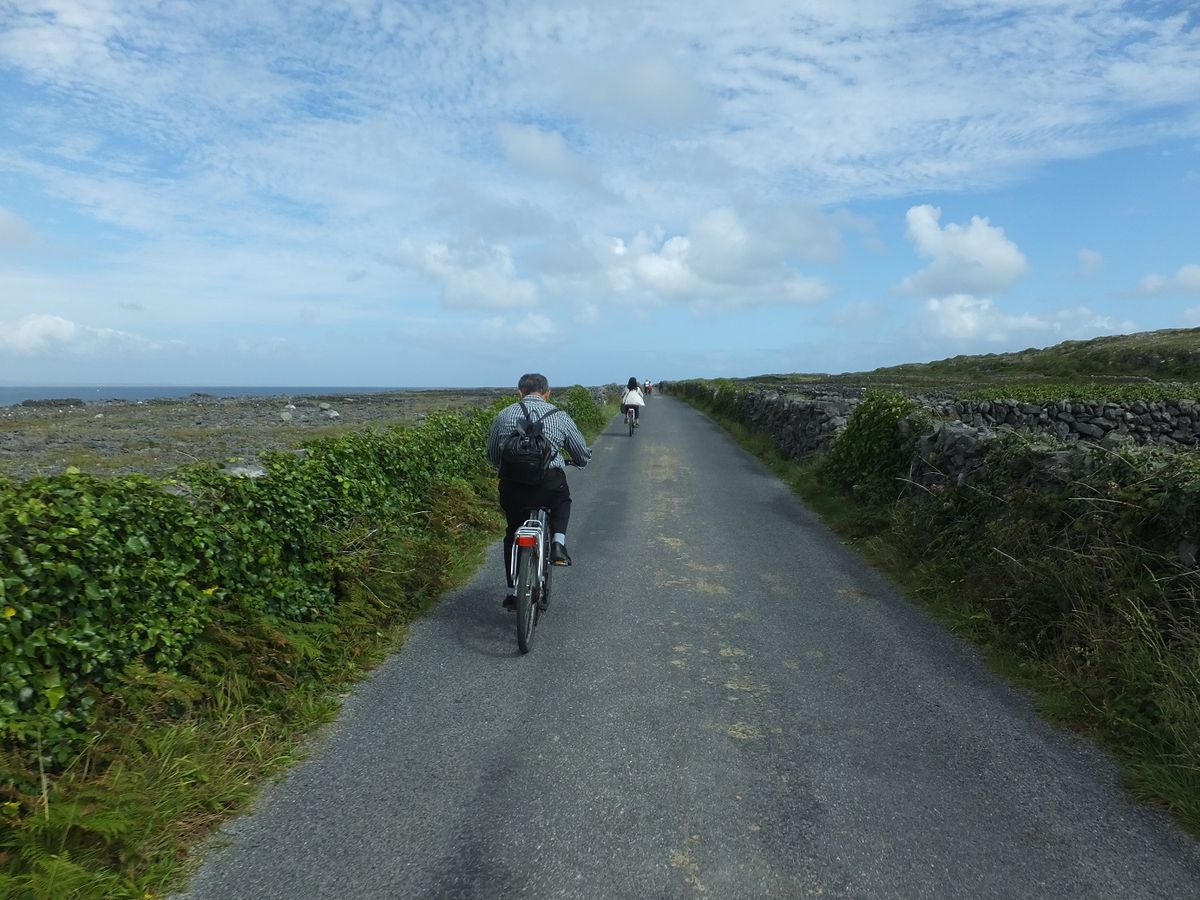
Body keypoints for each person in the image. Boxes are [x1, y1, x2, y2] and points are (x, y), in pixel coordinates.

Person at [487, 373, 592, 611]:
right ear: (547, 394)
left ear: (520, 392)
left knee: (512, 533)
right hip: (549, 486)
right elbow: (580, 453)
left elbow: (493, 456)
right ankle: (558, 544)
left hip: (513, 489)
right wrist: (581, 460)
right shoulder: (560, 416)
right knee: (563, 502)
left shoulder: (504, 415)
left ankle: (512, 591)